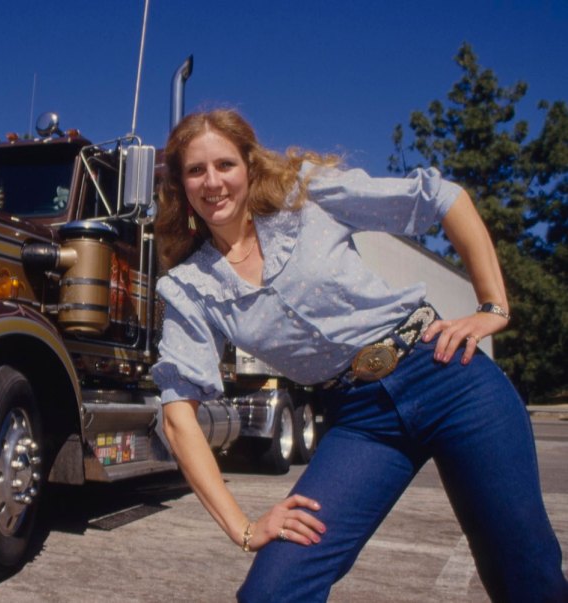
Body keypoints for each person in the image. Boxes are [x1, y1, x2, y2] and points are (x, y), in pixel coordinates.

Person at [151, 108, 568, 602]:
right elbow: (179, 418)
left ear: (249, 165)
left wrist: (492, 306)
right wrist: (243, 528)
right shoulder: (188, 287)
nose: (213, 182)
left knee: (527, 575)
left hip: (445, 376)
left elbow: (443, 198)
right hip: (360, 419)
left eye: (225, 165)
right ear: (180, 184)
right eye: (196, 170)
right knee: (274, 590)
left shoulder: (306, 199)